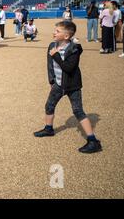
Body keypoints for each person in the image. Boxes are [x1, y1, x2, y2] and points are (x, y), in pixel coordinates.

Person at [34, 21, 102, 154]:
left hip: (72, 85)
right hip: (58, 84)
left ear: (66, 36)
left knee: (78, 111)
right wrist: (52, 80)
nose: (54, 32)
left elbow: (69, 68)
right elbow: (50, 65)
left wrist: (56, 55)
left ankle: (93, 141)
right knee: (49, 106)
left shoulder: (74, 49)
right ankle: (48, 129)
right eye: (55, 30)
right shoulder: (52, 45)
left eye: (57, 31)